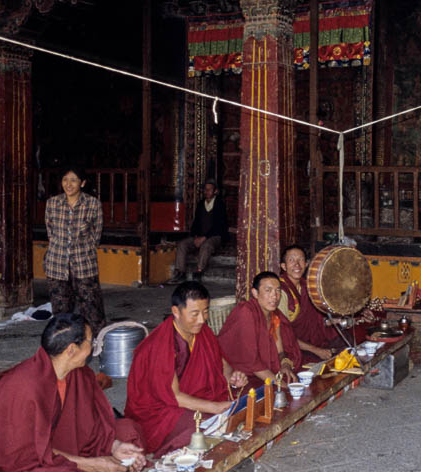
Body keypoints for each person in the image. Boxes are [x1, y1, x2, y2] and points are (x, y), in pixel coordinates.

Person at [0, 314, 146, 472]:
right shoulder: (23, 387)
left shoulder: (78, 374)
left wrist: (114, 446)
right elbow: (30, 455)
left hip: (65, 450)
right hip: (17, 471)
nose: (93, 347)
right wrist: (94, 464)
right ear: (71, 350)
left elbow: (92, 425)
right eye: (90, 342)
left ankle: (97, 469)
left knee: (130, 431)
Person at [125, 281, 248, 456]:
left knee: (248, 400)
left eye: (205, 312)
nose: (202, 319)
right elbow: (173, 397)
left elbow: (222, 364)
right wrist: (215, 408)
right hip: (162, 408)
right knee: (199, 428)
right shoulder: (160, 345)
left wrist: (232, 378)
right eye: (194, 314)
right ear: (176, 311)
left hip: (197, 396)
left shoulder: (202, 332)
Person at [44, 167, 106, 336]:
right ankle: (64, 343)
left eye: (73, 180)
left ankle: (97, 341)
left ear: (83, 183)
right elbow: (51, 233)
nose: (68, 184)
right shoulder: (52, 204)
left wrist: (82, 249)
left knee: (92, 307)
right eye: (65, 180)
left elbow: (96, 235)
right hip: (57, 264)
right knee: (61, 310)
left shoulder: (92, 204)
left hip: (84, 264)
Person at [218, 271, 302, 387]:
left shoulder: (274, 316)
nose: (274, 296)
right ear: (255, 293)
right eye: (268, 290)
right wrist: (282, 385)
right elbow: (252, 362)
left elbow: (280, 351)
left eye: (278, 291)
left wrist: (285, 365)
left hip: (261, 370)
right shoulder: (246, 312)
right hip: (235, 373)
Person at [277, 245, 343, 362]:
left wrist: (331, 321)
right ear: (284, 266)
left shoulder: (308, 286)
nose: (297, 265)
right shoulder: (280, 291)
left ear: (306, 264)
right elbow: (284, 334)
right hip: (292, 347)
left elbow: (315, 320)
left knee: (345, 342)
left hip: (312, 341)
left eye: (301, 260)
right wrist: (315, 350)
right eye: (291, 260)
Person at [167, 180, 227, 284]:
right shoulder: (201, 204)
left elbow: (219, 226)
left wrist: (204, 238)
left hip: (215, 236)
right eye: (205, 189)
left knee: (206, 246)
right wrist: (195, 237)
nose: (207, 191)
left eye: (209, 189)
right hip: (199, 236)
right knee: (182, 244)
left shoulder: (220, 204)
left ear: (216, 191)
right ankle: (180, 273)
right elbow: (196, 223)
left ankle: (199, 271)